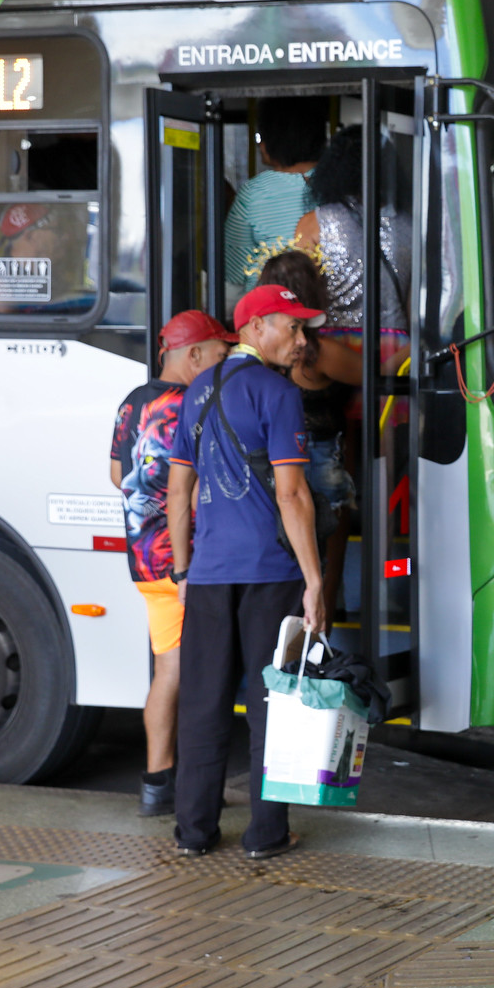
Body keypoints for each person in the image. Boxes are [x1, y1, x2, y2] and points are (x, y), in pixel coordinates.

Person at [165, 284, 329, 861]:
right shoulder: (277, 394)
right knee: (271, 703)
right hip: (270, 572)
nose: (302, 341)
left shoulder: (197, 391)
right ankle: (265, 834)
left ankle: (194, 831)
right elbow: (292, 494)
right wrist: (314, 580)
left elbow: (178, 490)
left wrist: (184, 568)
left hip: (208, 574)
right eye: (294, 327)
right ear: (257, 327)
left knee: (203, 702)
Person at [109, 310, 234, 816]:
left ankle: (158, 780)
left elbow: (118, 475)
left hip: (144, 561)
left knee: (169, 671)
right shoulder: (195, 403)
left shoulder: (131, 402)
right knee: (196, 676)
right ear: (195, 354)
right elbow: (201, 484)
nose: (224, 365)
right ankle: (188, 786)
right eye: (221, 355)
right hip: (189, 563)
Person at [256, 246, 354, 616]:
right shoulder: (319, 351)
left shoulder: (262, 356)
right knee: (325, 564)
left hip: (275, 465)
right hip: (320, 461)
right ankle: (316, 650)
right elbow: (379, 373)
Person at [293, 124, 406, 387]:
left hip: (332, 353)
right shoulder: (409, 224)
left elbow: (303, 297)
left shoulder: (313, 224)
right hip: (399, 352)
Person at [226, 97, 327, 294]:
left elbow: (235, 273)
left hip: (269, 312)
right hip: (329, 309)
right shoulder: (340, 185)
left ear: (271, 140)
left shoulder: (253, 193)